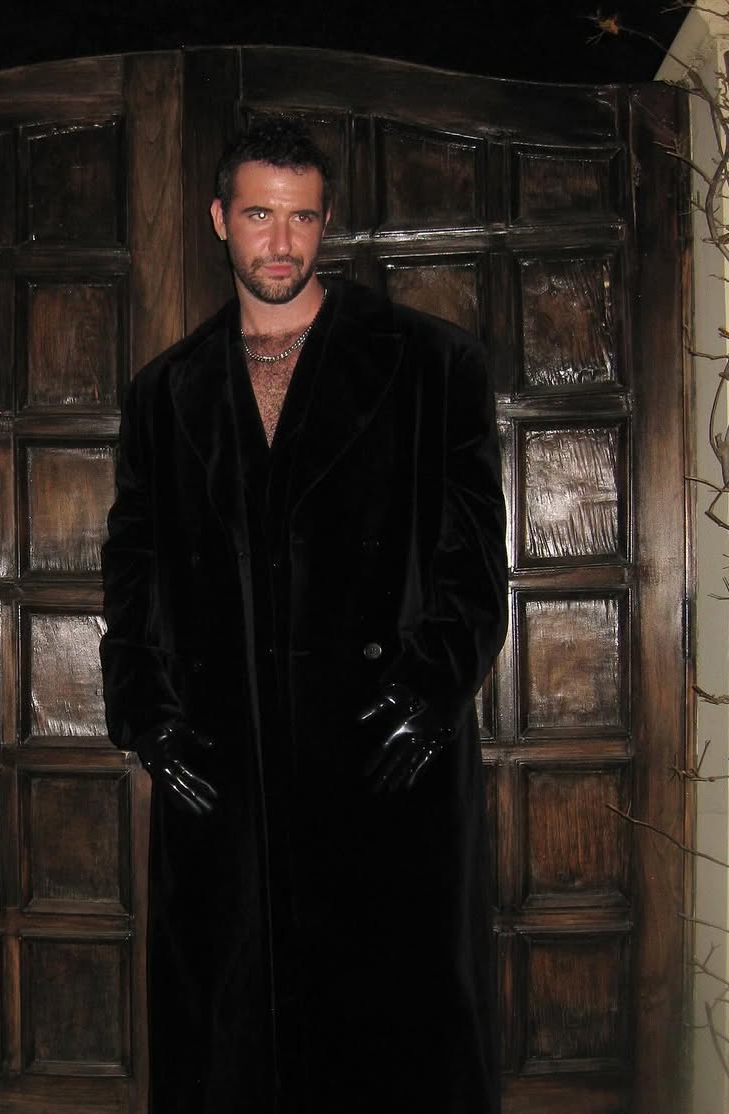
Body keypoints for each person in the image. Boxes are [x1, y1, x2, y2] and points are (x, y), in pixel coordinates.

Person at [100, 117, 508, 1114]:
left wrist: (430, 692)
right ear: (218, 219)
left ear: (326, 223)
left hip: (382, 762)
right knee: (232, 1042)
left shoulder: (432, 365)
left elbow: (472, 567)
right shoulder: (163, 394)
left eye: (301, 218)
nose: (280, 243)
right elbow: (131, 576)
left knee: (393, 1042)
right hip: (224, 774)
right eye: (258, 216)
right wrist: (148, 717)